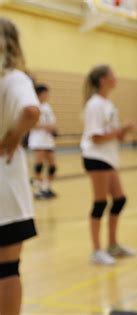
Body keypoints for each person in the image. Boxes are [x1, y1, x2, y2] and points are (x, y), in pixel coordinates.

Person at [0, 17, 40, 315]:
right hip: (5, 190)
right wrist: (13, 137)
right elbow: (30, 110)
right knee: (7, 267)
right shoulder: (12, 77)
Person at [81, 64, 135, 266]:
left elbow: (116, 137)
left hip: (109, 157)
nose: (115, 77)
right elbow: (95, 137)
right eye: (112, 74)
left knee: (119, 200)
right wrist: (120, 129)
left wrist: (125, 130)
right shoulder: (94, 104)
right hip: (96, 157)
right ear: (103, 79)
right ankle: (96, 250)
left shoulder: (108, 104)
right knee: (100, 202)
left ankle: (112, 245)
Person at [28, 84, 57, 199]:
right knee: (39, 165)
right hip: (37, 140)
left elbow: (52, 122)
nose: (47, 95)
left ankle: (47, 187)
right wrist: (45, 126)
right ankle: (38, 189)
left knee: (52, 166)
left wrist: (52, 128)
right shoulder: (33, 106)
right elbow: (31, 124)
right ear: (39, 94)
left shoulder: (47, 107)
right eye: (45, 93)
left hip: (48, 140)